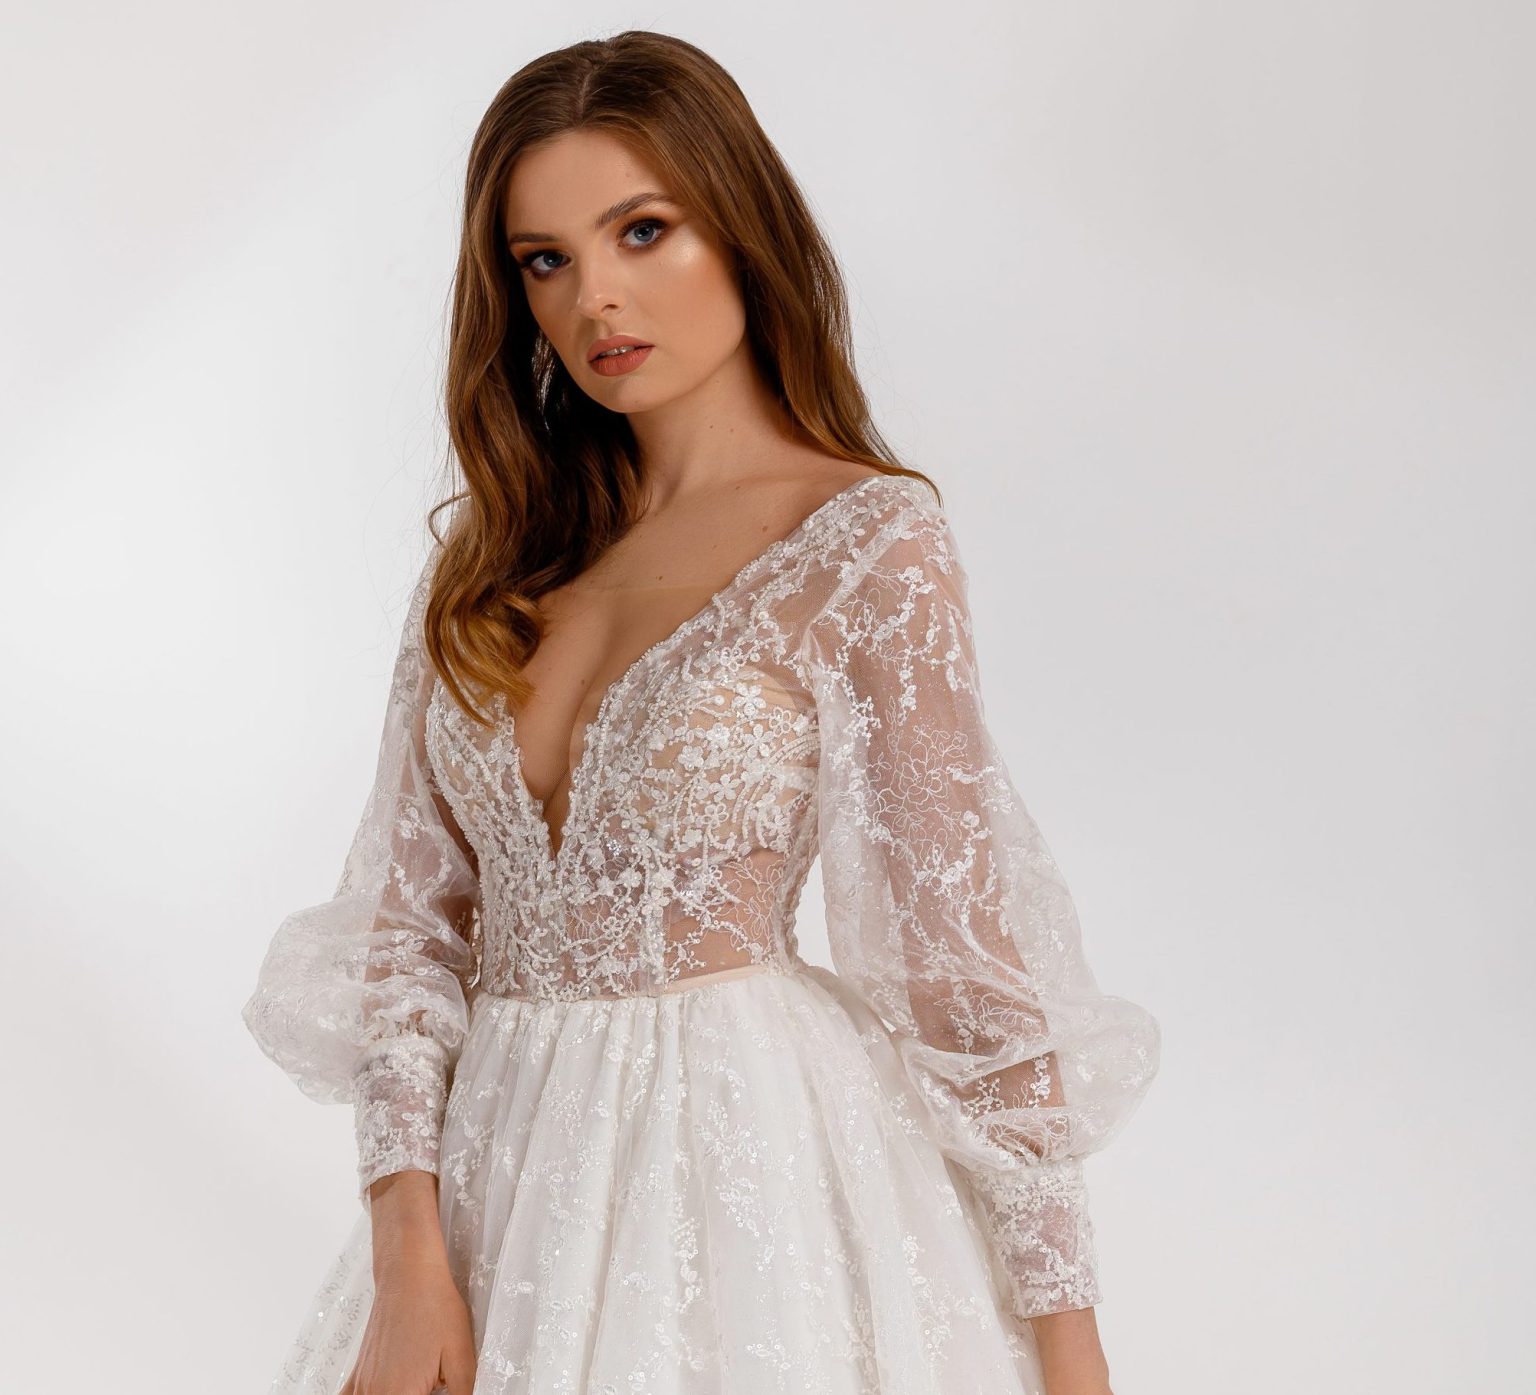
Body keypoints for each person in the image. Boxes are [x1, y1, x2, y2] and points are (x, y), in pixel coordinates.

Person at [241, 29, 1160, 1395]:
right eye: (544, 260)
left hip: (744, 1184)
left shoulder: (865, 543)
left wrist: (1074, 1359)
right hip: (490, 1203)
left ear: (741, 226)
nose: (596, 297)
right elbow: (410, 943)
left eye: (643, 230)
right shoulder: (494, 563)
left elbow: (964, 975)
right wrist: (406, 1254)